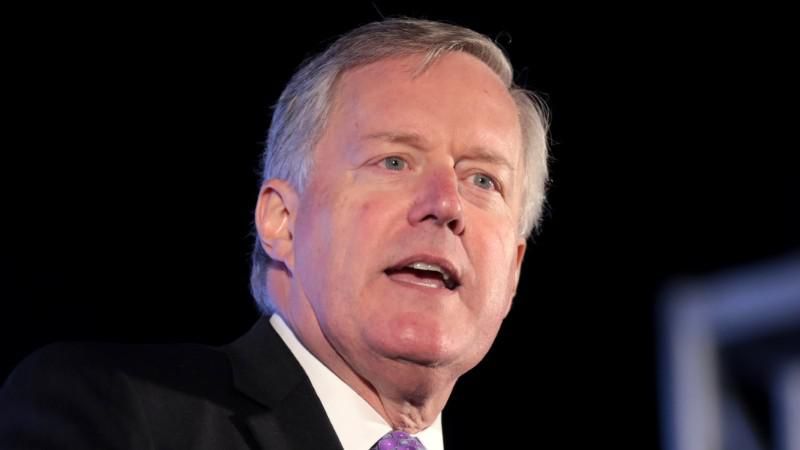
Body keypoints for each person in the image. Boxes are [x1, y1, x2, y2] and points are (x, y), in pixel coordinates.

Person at [0, 18, 549, 449]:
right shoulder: (121, 414)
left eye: (483, 180)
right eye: (394, 162)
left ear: (513, 271)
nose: (446, 204)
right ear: (281, 221)